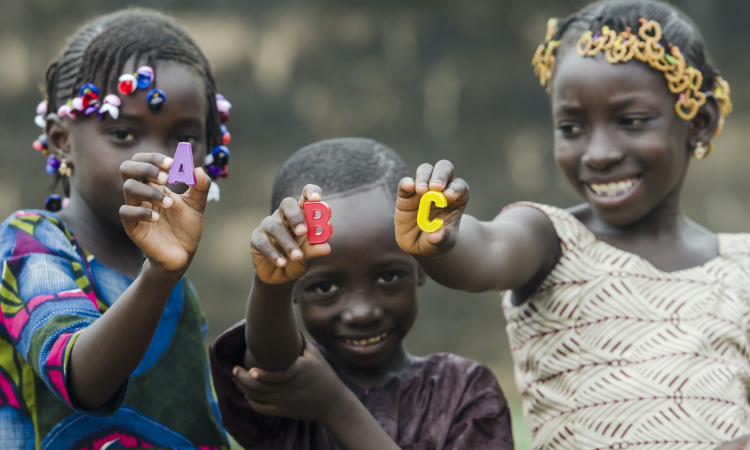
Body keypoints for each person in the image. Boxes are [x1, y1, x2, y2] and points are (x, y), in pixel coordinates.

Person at [393, 1, 746, 449]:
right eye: (571, 126)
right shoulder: (549, 239)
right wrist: (444, 241)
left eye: (631, 122)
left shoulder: (739, 268)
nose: (598, 152)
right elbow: (486, 254)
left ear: (700, 121)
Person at [0, 9, 233, 449]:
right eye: (124, 133)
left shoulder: (178, 290)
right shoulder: (29, 244)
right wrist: (159, 276)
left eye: (184, 140)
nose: (159, 161)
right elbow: (80, 380)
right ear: (61, 140)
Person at [210, 138, 514, 449]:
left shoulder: (464, 392)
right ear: (294, 289)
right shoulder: (292, 386)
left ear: (421, 266)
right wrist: (271, 283)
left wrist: (336, 409)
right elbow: (269, 356)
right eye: (325, 287)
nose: (362, 312)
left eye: (388, 277)